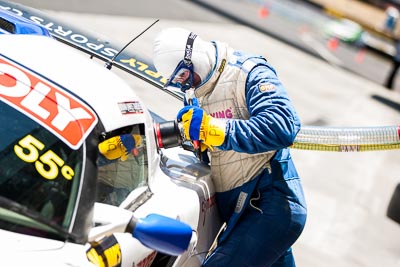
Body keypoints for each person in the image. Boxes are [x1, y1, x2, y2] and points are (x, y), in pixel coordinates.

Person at [153, 27, 307, 267]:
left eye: (183, 75)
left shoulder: (248, 72)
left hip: (269, 205)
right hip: (241, 212)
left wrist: (217, 131)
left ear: (193, 57)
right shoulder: (196, 90)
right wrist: (141, 139)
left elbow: (283, 126)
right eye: (177, 82)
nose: (183, 86)